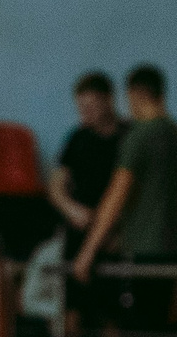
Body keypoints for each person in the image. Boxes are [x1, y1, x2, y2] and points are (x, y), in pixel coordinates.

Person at [73, 64, 177, 337]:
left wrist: (87, 252)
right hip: (173, 254)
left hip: (141, 253)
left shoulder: (140, 137)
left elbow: (117, 196)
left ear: (135, 95)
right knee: (160, 336)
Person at [47, 70, 122, 237]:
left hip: (118, 224)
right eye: (81, 108)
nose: (84, 114)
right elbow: (56, 186)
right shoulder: (78, 137)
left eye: (90, 107)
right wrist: (72, 209)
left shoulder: (128, 137)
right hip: (83, 221)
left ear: (108, 100)